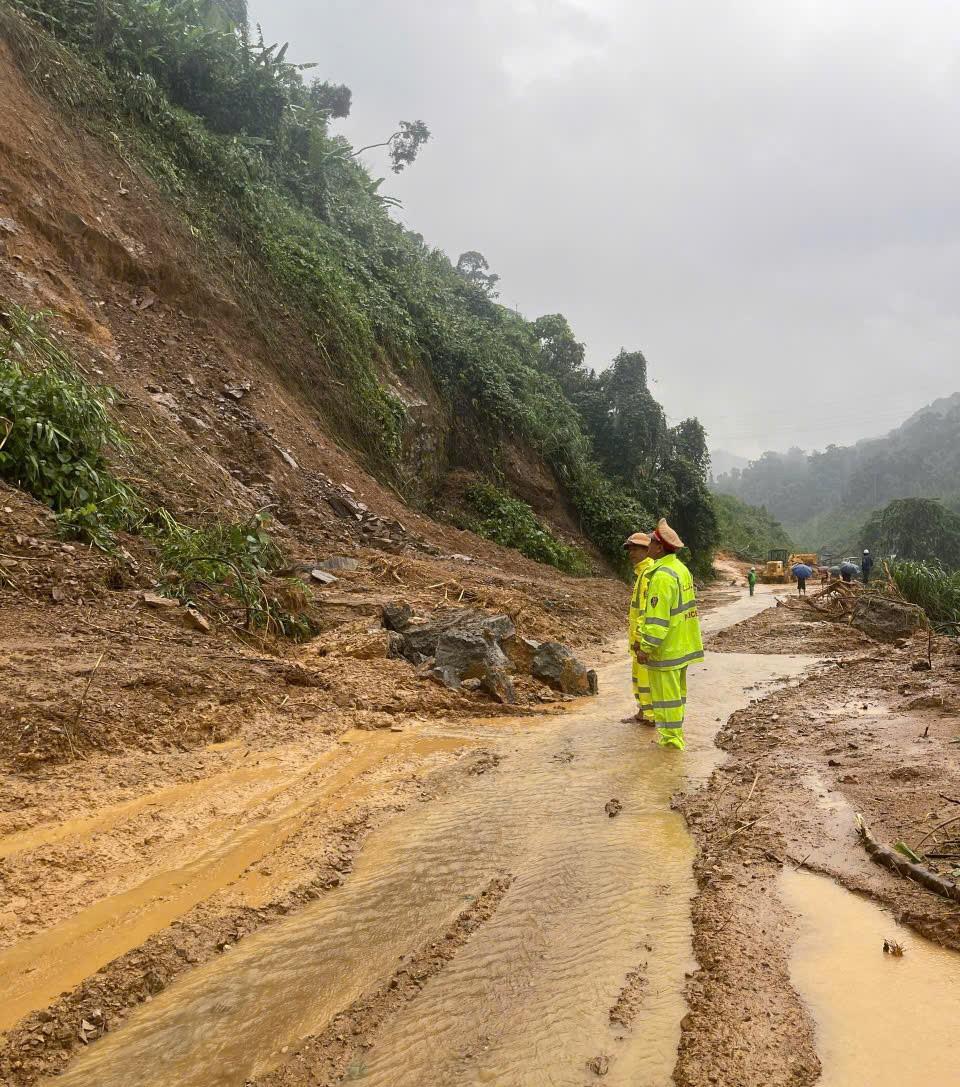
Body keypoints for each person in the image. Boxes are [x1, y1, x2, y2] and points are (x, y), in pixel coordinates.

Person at [631, 518, 704, 751]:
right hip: (682, 647)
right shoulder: (681, 570)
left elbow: (656, 621)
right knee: (677, 697)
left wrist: (645, 647)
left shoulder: (661, 576)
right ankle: (674, 737)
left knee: (665, 699)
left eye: (651, 541)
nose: (648, 544)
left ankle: (671, 744)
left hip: (666, 651)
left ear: (660, 547)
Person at [624, 532, 654, 725]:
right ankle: (643, 712)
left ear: (647, 550)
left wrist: (640, 639)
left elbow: (646, 611)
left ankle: (650, 717)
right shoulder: (642, 573)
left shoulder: (648, 574)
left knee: (646, 679)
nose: (631, 553)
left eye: (635, 549)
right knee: (639, 678)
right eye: (630, 549)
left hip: (642, 640)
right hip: (638, 639)